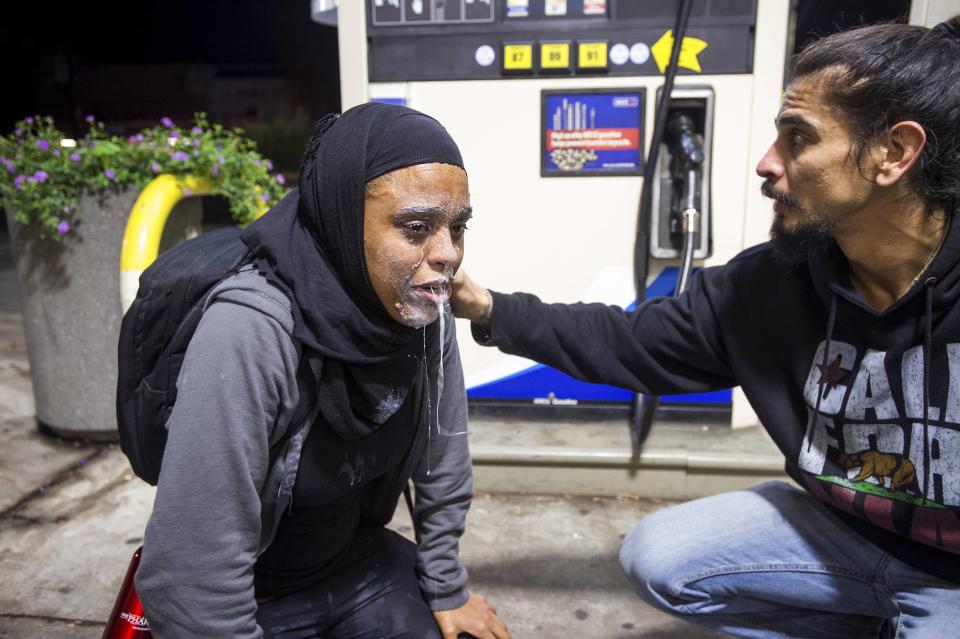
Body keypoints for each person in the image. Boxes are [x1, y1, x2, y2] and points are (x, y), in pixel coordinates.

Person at [452, 18, 960, 638]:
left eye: (797, 138)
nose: (766, 164)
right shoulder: (769, 285)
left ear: (894, 154)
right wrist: (486, 307)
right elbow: (630, 343)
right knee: (661, 558)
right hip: (847, 536)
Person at [135, 103, 511, 639]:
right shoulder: (250, 328)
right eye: (415, 227)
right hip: (256, 594)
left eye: (457, 227)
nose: (447, 254)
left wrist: (446, 585)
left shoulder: (424, 307)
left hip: (352, 564)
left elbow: (441, 457)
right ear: (340, 216)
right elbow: (194, 572)